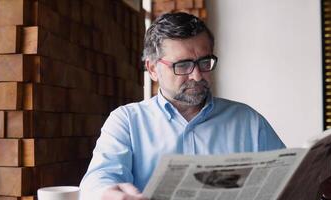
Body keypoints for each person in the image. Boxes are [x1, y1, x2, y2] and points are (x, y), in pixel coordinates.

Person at [79, 12, 287, 200]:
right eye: (183, 65)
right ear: (152, 69)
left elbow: (287, 178)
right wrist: (105, 193)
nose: (197, 76)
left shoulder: (248, 121)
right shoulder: (127, 121)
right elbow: (99, 179)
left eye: (205, 62)